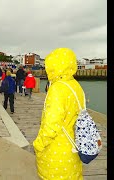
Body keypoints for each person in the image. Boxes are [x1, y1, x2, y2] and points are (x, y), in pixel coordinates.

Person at [33, 48, 84, 179]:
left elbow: (51, 124)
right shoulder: (75, 85)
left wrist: (38, 145)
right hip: (73, 147)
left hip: (57, 151)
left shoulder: (57, 88)